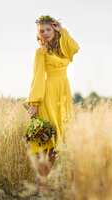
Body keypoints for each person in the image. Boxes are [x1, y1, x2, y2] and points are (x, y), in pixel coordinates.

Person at [23, 15, 80, 192]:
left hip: (63, 94)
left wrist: (61, 29)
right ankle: (42, 182)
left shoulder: (64, 48)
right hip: (48, 95)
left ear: (54, 29)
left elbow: (76, 47)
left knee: (58, 141)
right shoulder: (40, 52)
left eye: (48, 29)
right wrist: (34, 102)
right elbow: (38, 76)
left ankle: (44, 181)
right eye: (42, 31)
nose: (46, 33)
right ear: (38, 34)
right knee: (47, 138)